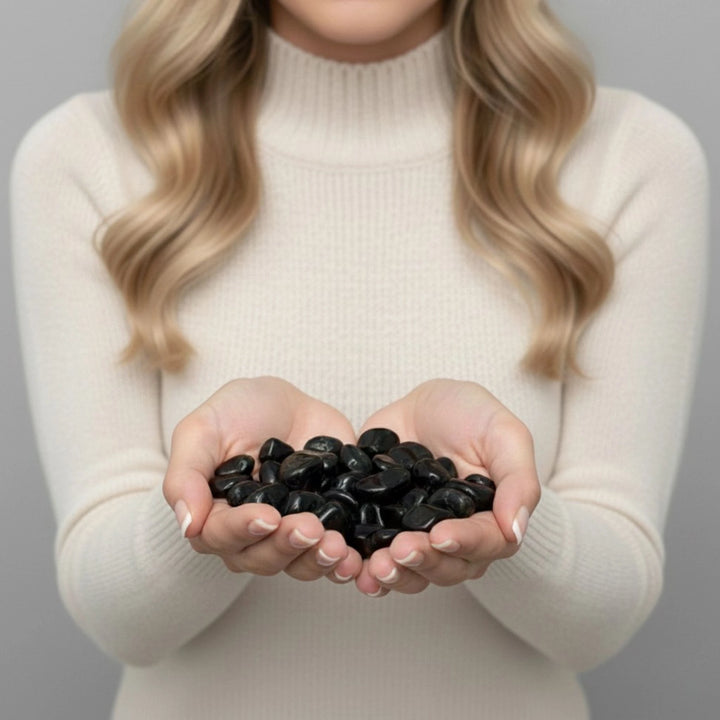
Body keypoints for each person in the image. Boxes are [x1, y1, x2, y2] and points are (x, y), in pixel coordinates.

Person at [9, 0, 709, 717]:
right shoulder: (87, 156)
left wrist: (505, 514)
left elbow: (600, 624)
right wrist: (207, 506)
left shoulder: (630, 156)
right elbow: (119, 620)